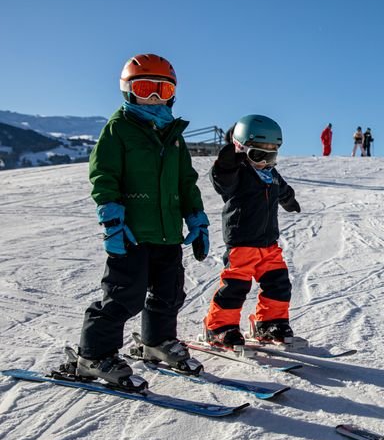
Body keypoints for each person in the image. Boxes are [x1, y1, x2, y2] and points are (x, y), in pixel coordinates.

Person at [74, 53, 208, 388]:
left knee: (169, 293)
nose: (151, 97)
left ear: (171, 94)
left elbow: (186, 182)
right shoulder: (119, 129)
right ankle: (93, 355)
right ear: (128, 90)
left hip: (168, 234)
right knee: (122, 295)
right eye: (144, 88)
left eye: (160, 91)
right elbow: (103, 176)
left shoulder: (174, 136)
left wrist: (197, 219)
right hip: (133, 233)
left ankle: (157, 342)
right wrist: (113, 222)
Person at [202, 114, 301, 347]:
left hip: (268, 244)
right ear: (241, 149)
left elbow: (282, 189)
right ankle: (219, 327)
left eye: (271, 155)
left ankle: (269, 323)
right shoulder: (238, 171)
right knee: (236, 286)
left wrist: (289, 200)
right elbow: (221, 181)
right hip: (242, 242)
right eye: (259, 155)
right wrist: (226, 164)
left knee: (278, 283)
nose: (265, 161)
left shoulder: (271, 174)